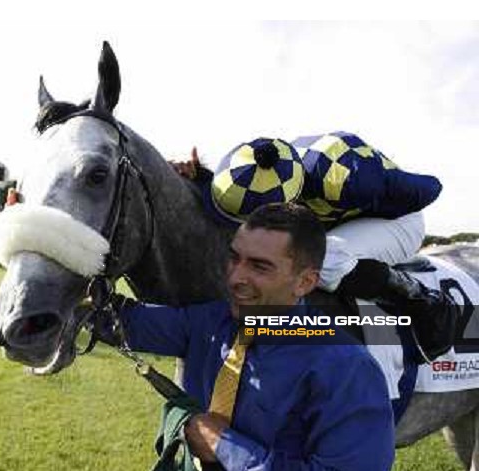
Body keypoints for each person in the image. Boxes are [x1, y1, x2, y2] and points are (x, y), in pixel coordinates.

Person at [108, 203, 395, 471]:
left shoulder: (347, 368)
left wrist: (225, 447)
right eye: (234, 258)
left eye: (259, 266)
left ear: (305, 282)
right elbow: (122, 322)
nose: (234, 278)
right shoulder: (211, 321)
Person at [170, 133, 458, 363]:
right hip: (333, 219)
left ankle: (422, 300)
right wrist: (198, 177)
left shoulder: (346, 176)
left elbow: (430, 188)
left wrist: (375, 186)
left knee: (323, 258)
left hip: (396, 220)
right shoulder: (255, 168)